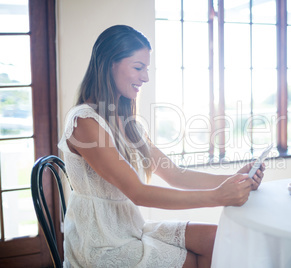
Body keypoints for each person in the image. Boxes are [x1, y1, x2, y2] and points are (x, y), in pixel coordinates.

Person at [58, 25, 265, 268]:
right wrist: (217, 196)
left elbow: (175, 174)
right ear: (109, 63)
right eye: (138, 67)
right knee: (198, 260)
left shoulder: (127, 123)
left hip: (133, 228)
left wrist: (234, 179)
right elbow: (138, 192)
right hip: (102, 245)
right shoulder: (85, 121)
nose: (145, 77)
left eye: (146, 68)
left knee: (219, 239)